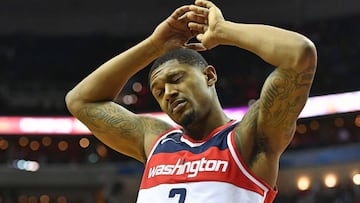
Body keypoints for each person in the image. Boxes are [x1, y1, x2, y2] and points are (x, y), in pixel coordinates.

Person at [65, 0, 317, 202]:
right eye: (159, 91)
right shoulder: (155, 140)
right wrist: (154, 45)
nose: (169, 93)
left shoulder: (248, 138)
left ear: (209, 75)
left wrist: (224, 31)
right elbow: (80, 101)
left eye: (176, 79)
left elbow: (300, 55)